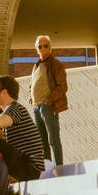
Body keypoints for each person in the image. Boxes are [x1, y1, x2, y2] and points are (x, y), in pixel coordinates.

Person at [31, 36, 69, 167]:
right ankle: (47, 168)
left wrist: (49, 101)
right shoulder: (36, 65)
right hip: (36, 106)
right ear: (36, 49)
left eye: (45, 46)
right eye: (39, 46)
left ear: (50, 48)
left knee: (53, 139)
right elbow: (33, 83)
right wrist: (32, 98)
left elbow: (62, 87)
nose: (42, 48)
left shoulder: (56, 64)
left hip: (48, 106)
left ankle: (59, 167)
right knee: (42, 142)